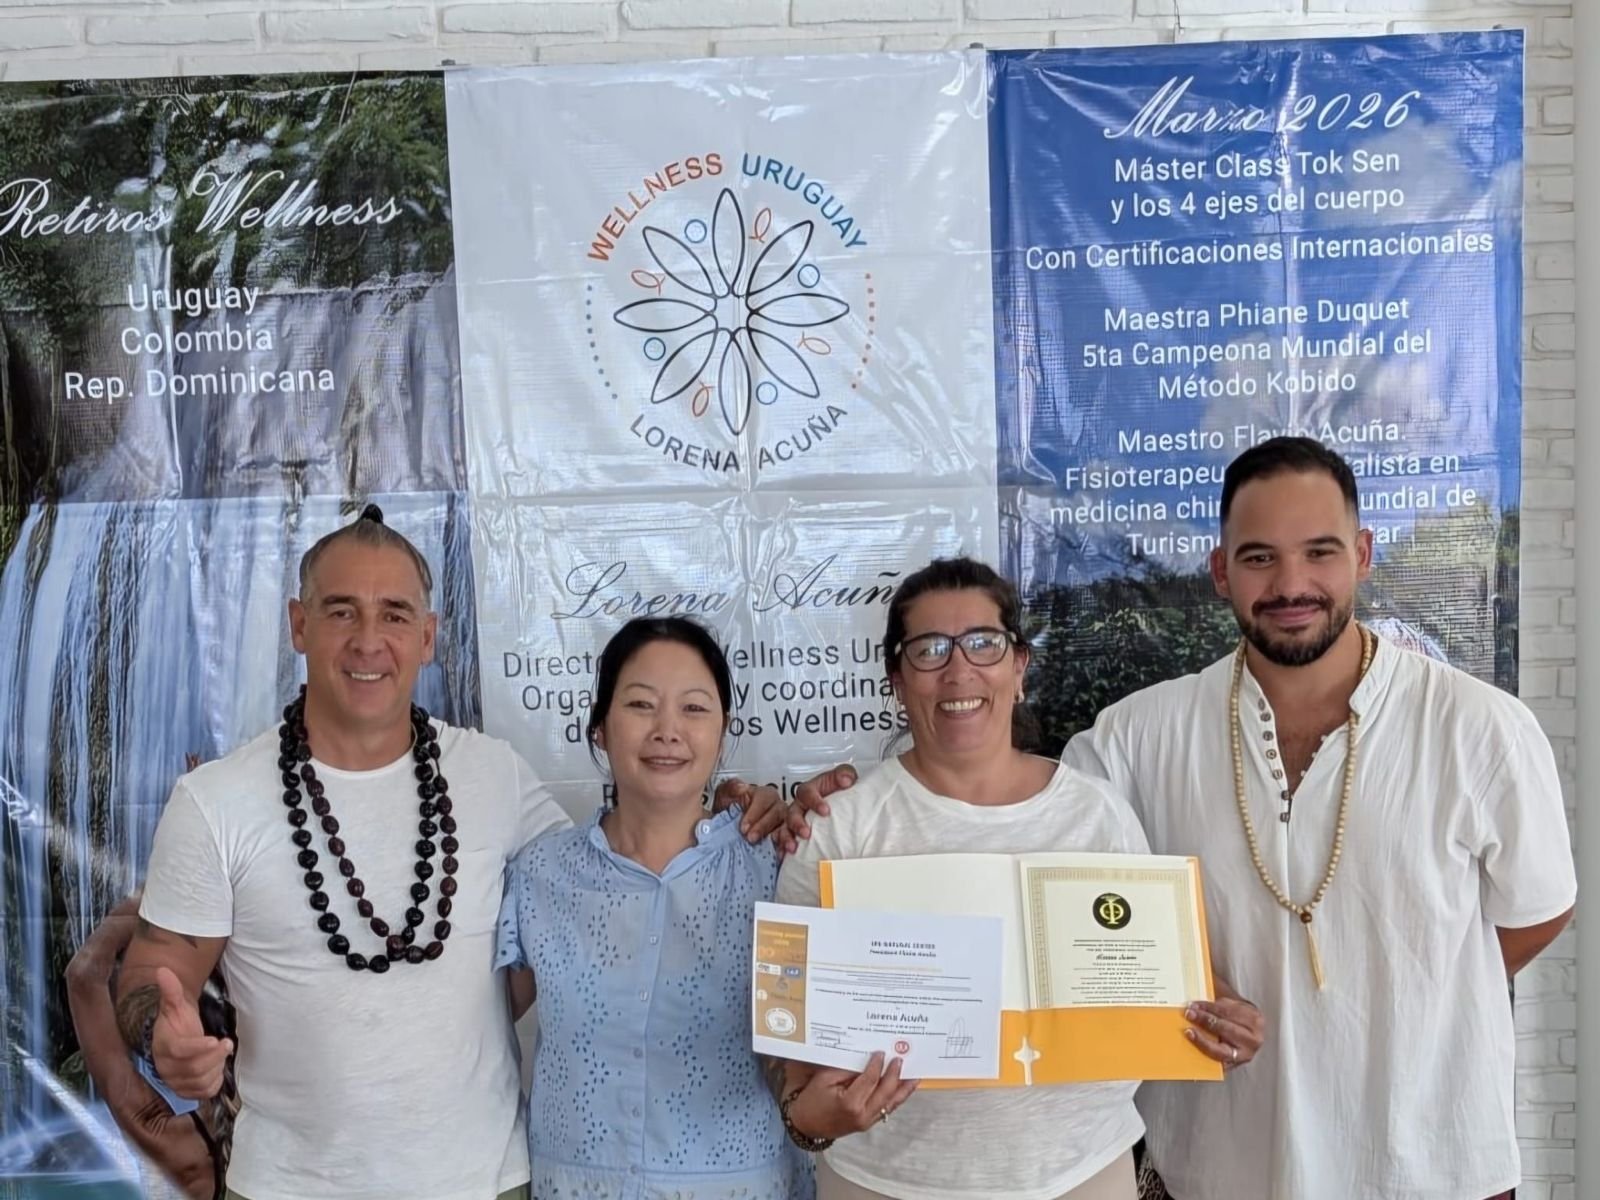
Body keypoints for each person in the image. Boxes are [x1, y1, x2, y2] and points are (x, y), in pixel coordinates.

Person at [790, 438, 1576, 1200]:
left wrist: (1408, 986)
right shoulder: (1137, 738)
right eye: (1260, 556)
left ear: (1364, 555)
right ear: (1218, 572)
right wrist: (809, 800)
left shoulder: (1482, 729)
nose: (1291, 582)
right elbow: (1008, 815)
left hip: (1425, 1159)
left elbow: (1537, 917)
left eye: (1321, 552)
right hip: (1217, 1161)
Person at [110, 506, 791, 1200]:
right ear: (298, 625)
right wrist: (160, 1039)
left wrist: (730, 803)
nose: (369, 641)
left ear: (429, 636)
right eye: (341, 611)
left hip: (484, 1181)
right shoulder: (215, 800)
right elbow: (155, 967)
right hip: (289, 1184)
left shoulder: (494, 777)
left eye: (395, 615)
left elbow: (615, 872)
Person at [770, 557, 1262, 1200]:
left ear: (1019, 666)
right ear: (895, 678)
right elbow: (792, 1059)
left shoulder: (1098, 814)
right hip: (886, 1183)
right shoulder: (836, 831)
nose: (958, 669)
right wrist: (810, 1123)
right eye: (928, 650)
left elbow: (1154, 976)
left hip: (1083, 1175)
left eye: (983, 643)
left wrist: (1217, 1016)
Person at [494, 616, 832, 1198]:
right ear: (599, 727)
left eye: (695, 709)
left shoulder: (775, 867)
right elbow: (478, 1026)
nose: (667, 730)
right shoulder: (539, 874)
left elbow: (809, 1051)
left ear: (724, 730)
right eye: (641, 705)